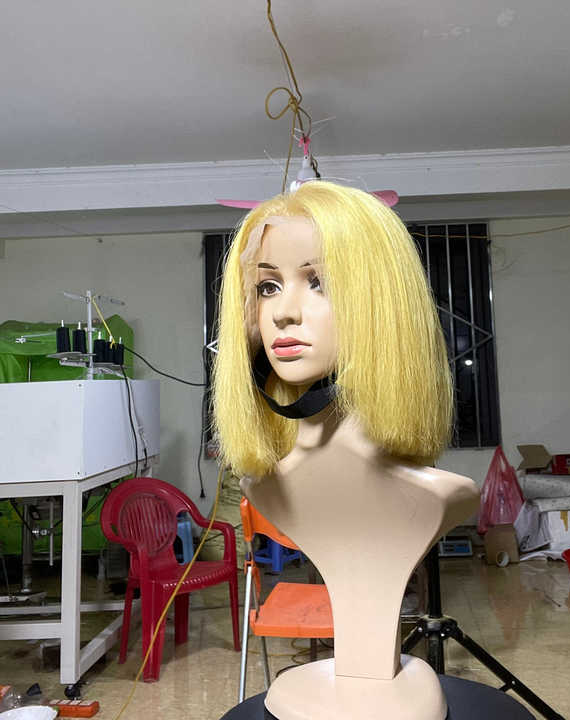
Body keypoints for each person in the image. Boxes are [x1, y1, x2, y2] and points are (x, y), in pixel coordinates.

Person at [212, 181, 479, 720]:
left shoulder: (434, 495)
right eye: (268, 287)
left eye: (319, 283)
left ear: (382, 305)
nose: (284, 313)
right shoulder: (268, 487)